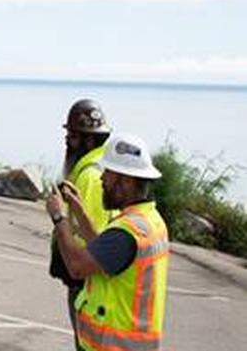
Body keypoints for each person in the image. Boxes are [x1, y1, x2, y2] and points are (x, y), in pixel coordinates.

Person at [47, 134, 168, 351]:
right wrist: (78, 209)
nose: (102, 179)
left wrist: (59, 217)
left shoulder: (128, 233)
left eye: (108, 174)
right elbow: (103, 252)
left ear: (127, 181)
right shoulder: (147, 220)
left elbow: (77, 267)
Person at [49, 98, 115, 345]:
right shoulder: (94, 167)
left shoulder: (89, 176)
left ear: (89, 140)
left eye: (73, 136)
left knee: (86, 342)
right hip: (85, 280)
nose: (67, 141)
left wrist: (58, 216)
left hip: (85, 282)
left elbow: (90, 238)